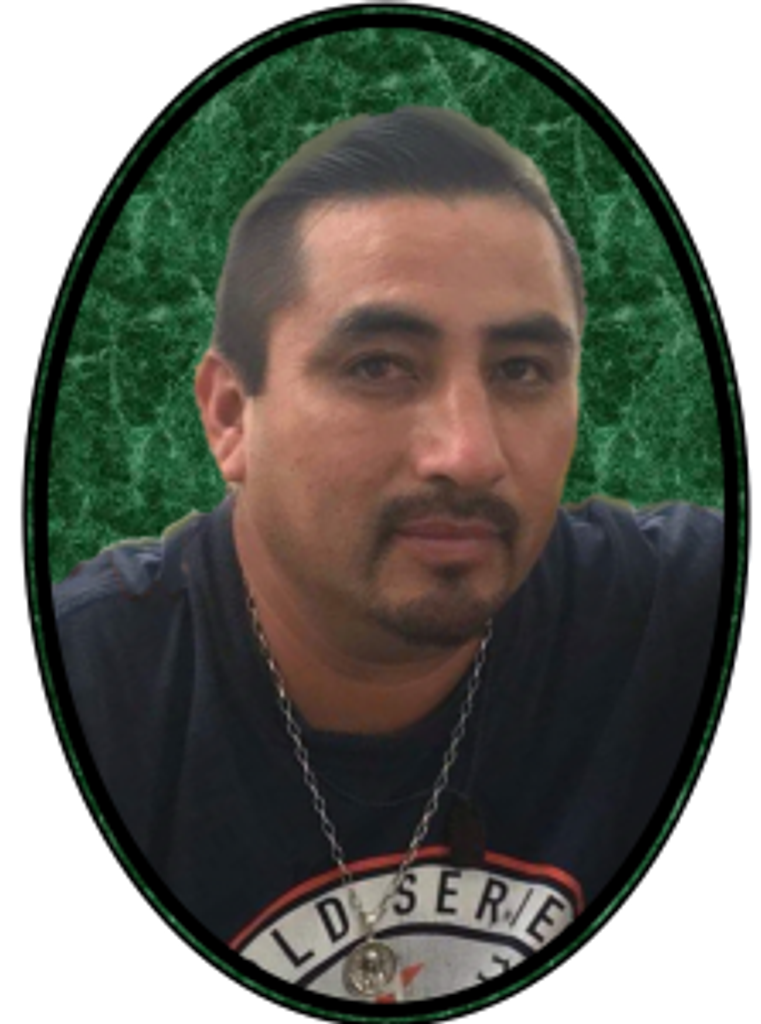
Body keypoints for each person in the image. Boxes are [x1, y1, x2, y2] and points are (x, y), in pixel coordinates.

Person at [52, 107, 723, 1004]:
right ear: (230, 416)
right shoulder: (97, 695)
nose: (468, 454)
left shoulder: (669, 623)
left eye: (521, 370)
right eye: (378, 366)